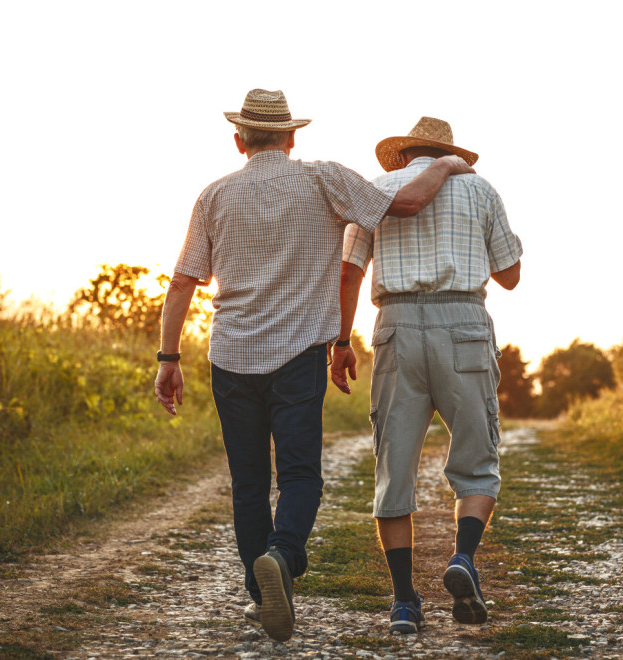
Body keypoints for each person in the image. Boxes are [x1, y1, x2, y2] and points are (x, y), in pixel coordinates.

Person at [154, 91, 474, 642]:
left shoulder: (214, 195)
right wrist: (446, 162)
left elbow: (183, 280)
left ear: (239, 140)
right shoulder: (324, 178)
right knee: (300, 473)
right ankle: (282, 554)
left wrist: (168, 357)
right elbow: (406, 203)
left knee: (248, 482)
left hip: (231, 356)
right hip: (299, 354)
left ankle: (265, 596)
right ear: (292, 136)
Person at [331, 117, 522, 634]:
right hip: (462, 322)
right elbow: (510, 276)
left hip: (394, 325)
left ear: (402, 156)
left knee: (394, 466)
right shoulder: (479, 189)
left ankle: (403, 604)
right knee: (477, 460)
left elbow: (349, 270)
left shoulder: (375, 192)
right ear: (448, 153)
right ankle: (462, 559)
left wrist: (340, 341)